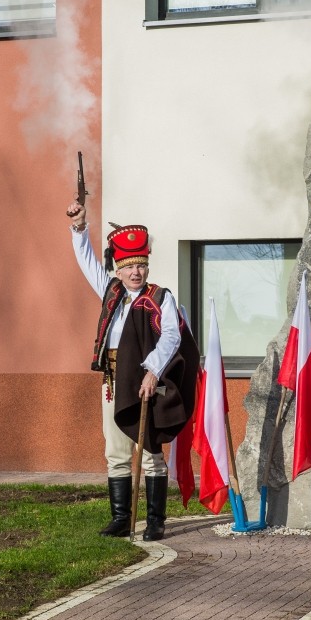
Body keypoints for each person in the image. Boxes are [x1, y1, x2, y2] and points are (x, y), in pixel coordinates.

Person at [66, 202, 199, 541]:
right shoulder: (111, 293)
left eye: (141, 265)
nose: (136, 272)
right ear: (119, 269)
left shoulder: (159, 298)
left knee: (150, 450)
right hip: (113, 380)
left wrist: (153, 371)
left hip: (145, 382)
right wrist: (80, 228)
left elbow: (171, 335)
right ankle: (121, 518)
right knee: (116, 451)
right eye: (129, 267)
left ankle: (155, 520)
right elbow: (87, 263)